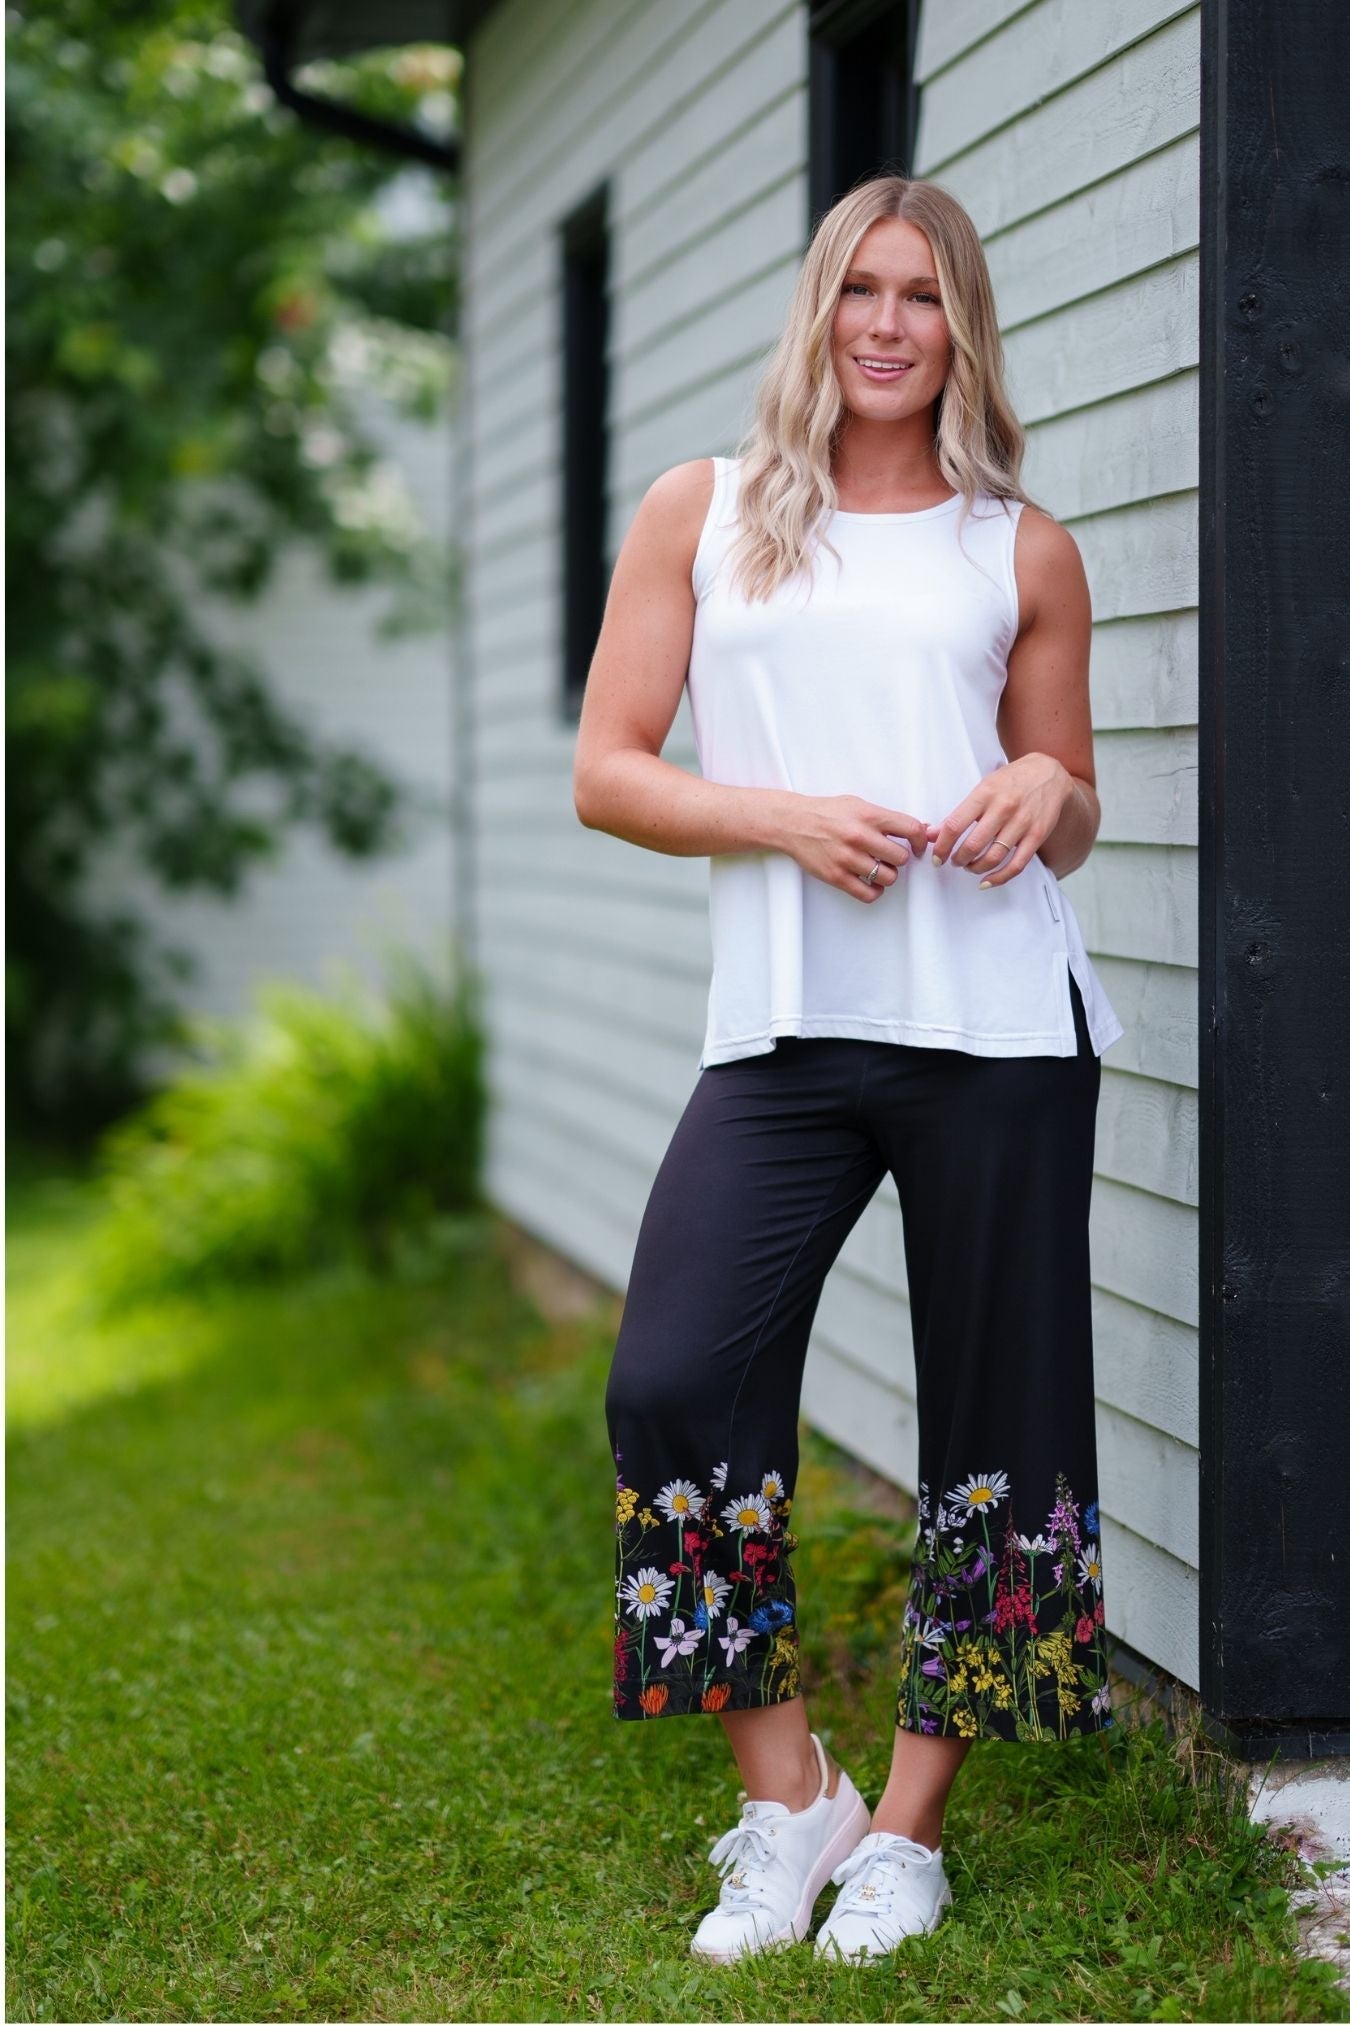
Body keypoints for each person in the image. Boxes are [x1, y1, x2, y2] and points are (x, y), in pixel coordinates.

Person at [571, 173, 1123, 1967]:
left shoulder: (1019, 548)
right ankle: (790, 1790)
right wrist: (783, 817)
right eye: (860, 291)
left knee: (998, 1422)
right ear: (817, 310)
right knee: (672, 1381)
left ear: (963, 327)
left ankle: (905, 1833)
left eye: (924, 295)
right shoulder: (704, 511)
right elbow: (609, 768)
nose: (889, 325)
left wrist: (1044, 788)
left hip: (999, 1032)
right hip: (786, 1033)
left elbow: (1070, 805)